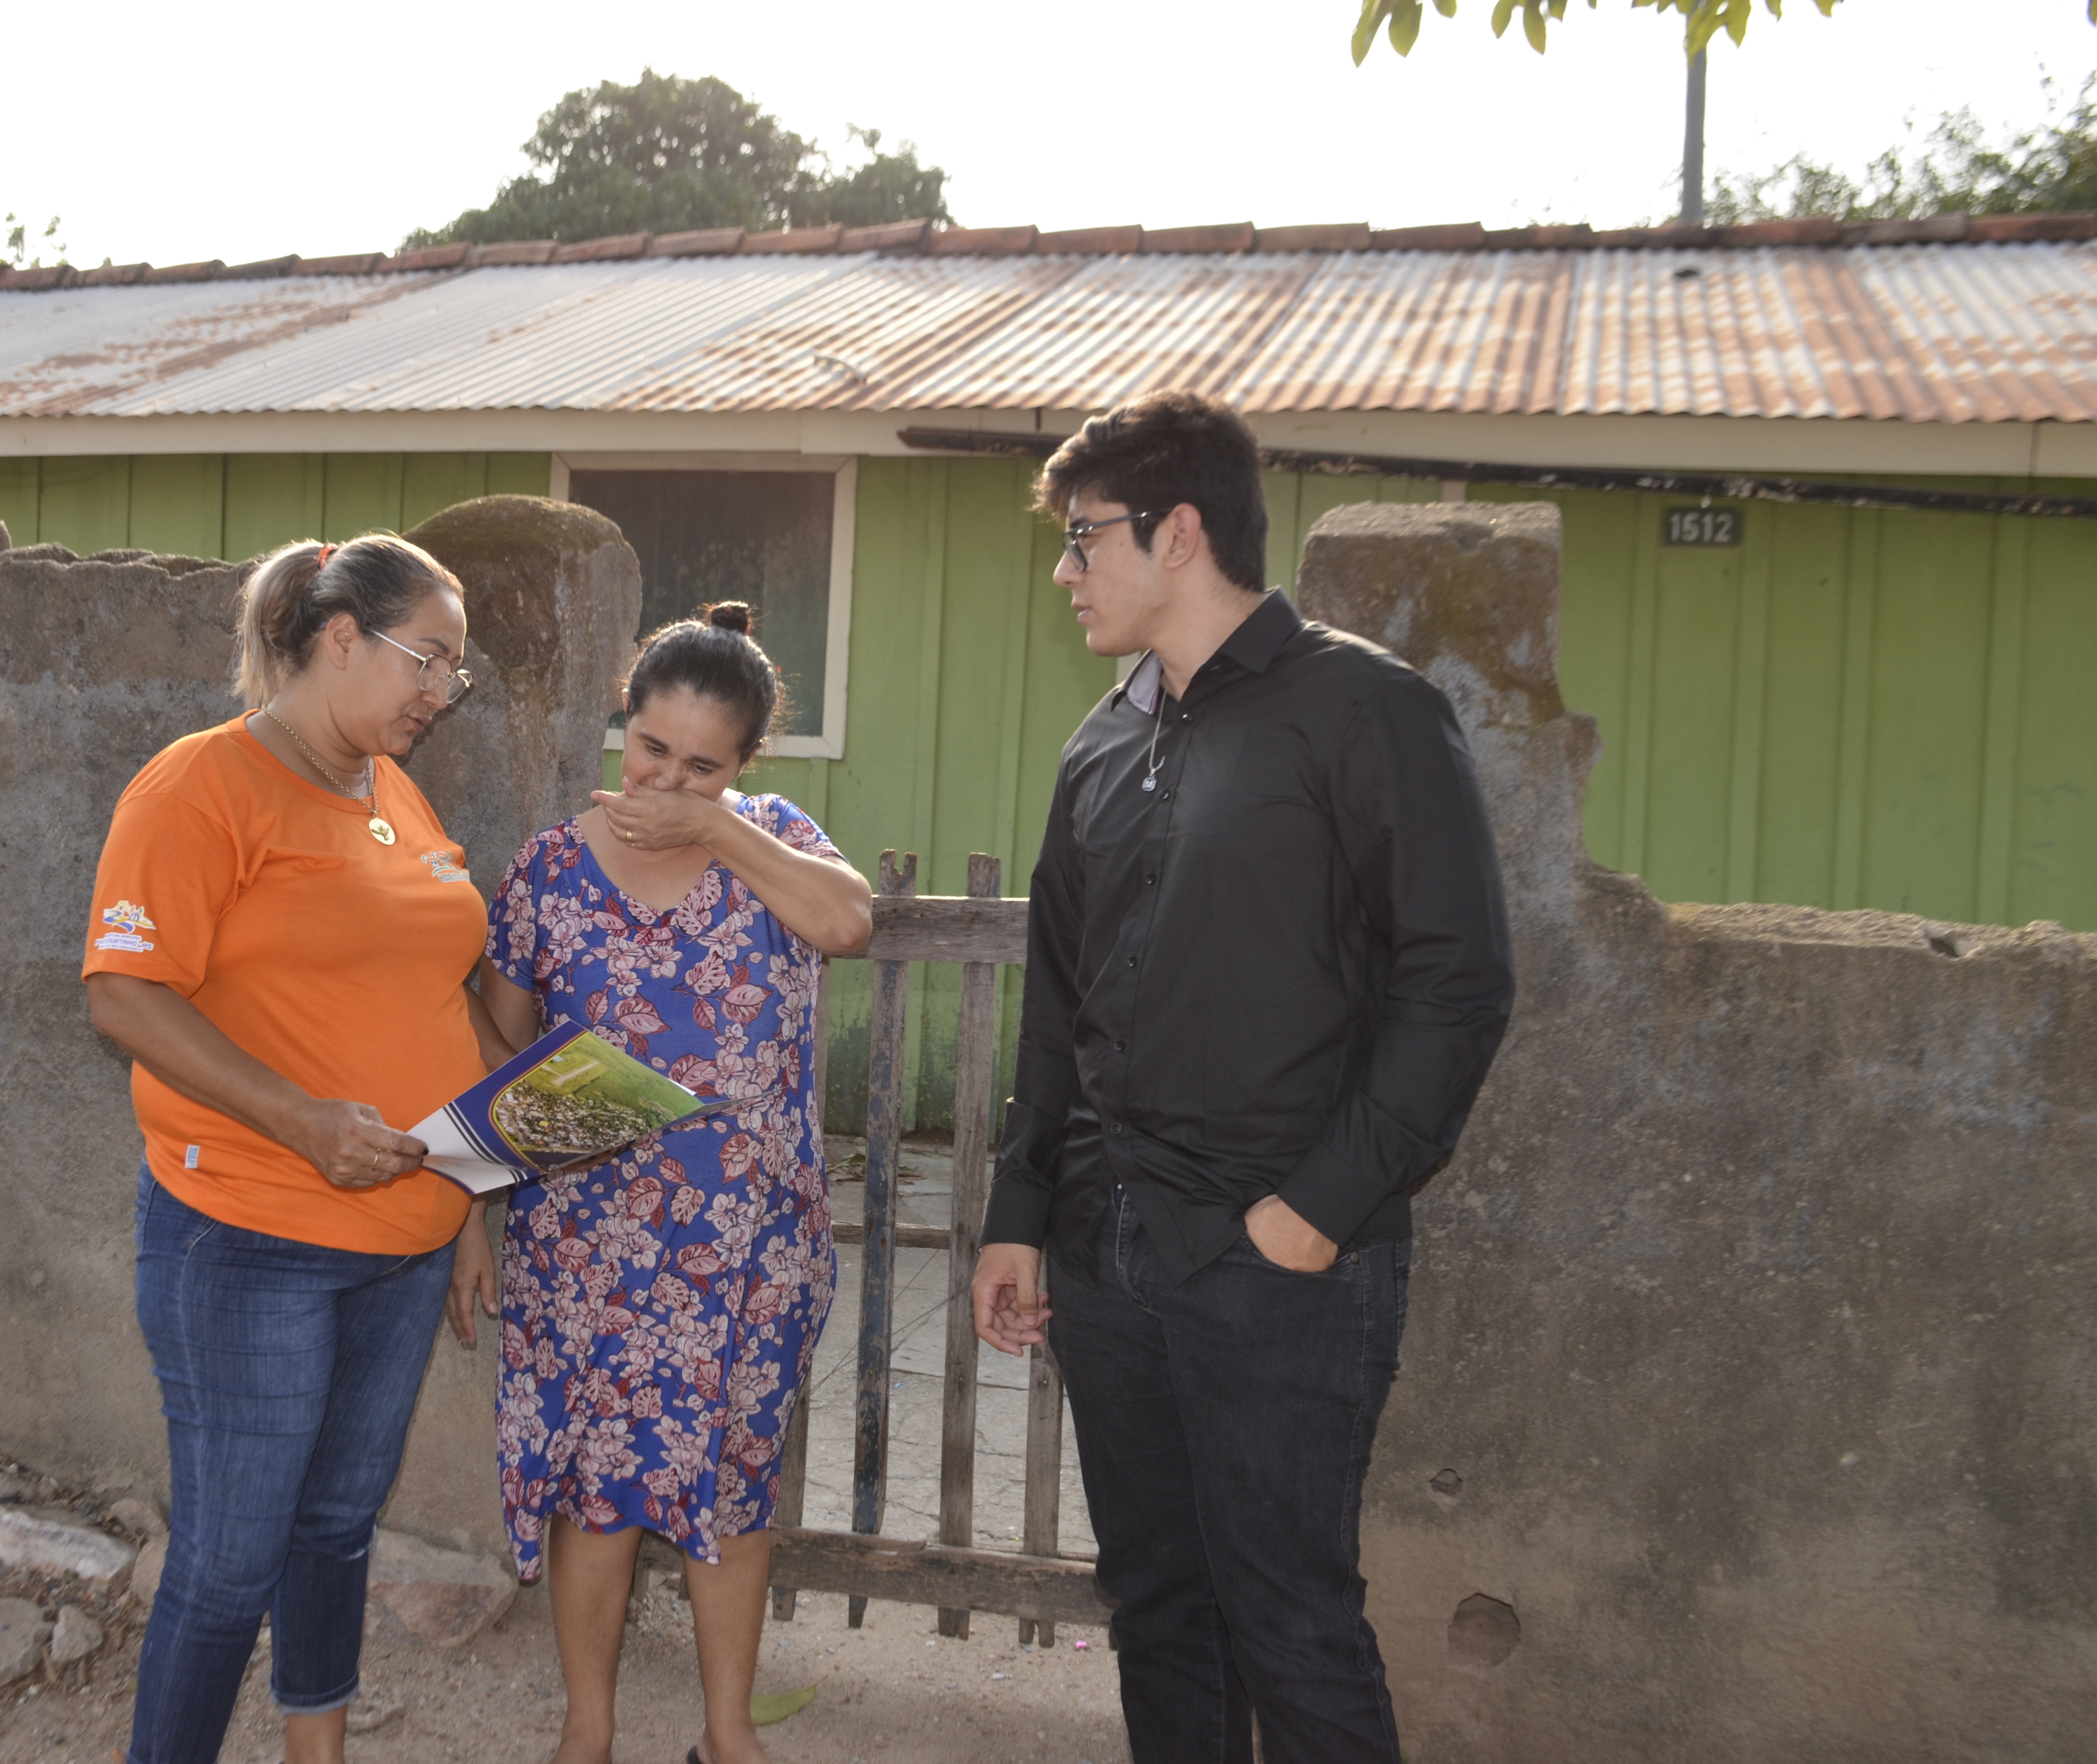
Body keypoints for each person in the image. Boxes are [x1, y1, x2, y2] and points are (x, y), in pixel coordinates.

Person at [969, 392, 1516, 1764]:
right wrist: (1023, 1210)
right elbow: (1061, 1004)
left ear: (1182, 531)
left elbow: (1457, 985)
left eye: (1085, 537)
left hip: (1283, 1266)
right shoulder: (1101, 742)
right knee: (1159, 1607)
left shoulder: (1367, 711)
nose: (1064, 569)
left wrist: (1316, 1208)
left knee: (1293, 1621)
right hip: (1110, 1248)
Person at [81, 535, 508, 1764]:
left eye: (455, 673)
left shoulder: (392, 787)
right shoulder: (198, 787)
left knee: (334, 1527)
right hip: (254, 1241)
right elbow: (125, 996)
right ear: (338, 638)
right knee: (228, 1564)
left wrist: (469, 1205)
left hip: (408, 1243)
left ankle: (314, 1752)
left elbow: (438, 1004)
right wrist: (305, 1122)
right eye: (430, 660)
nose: (442, 692)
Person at [450, 603, 871, 1764]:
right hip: (584, 1244)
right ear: (620, 727)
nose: (667, 780)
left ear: (745, 768)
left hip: (747, 1245)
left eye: (703, 765)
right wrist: (474, 1213)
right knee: (597, 1494)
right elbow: (499, 1057)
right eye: (651, 750)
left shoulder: (776, 840)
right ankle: (589, 1732)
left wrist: (717, 829)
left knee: (732, 1493)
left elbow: (848, 922)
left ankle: (727, 1738)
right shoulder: (548, 870)